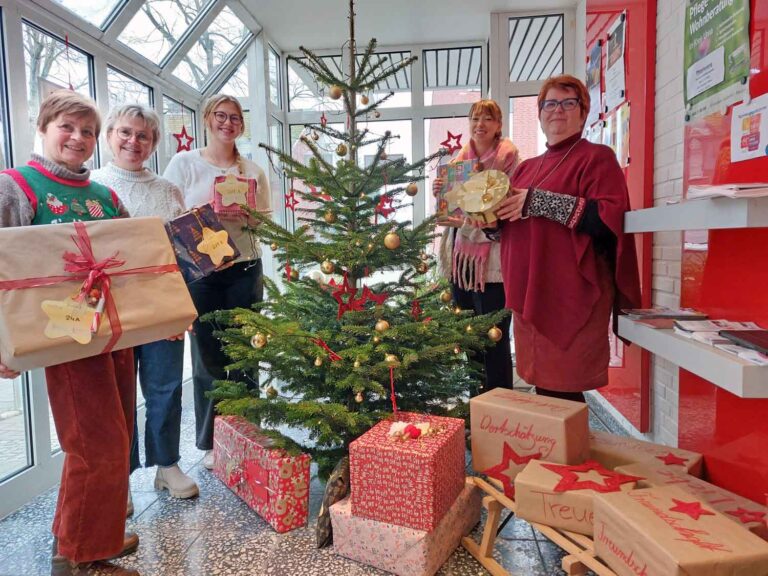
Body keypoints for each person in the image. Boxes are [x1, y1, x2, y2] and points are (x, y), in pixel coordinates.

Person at [0, 91, 139, 575]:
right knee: (96, 445)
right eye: (67, 126)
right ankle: (82, 557)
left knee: (112, 440)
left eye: (88, 132)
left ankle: (81, 537)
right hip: (64, 341)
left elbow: (133, 267)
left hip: (113, 336)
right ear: (44, 126)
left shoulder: (106, 196)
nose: (78, 138)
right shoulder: (16, 187)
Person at [491, 74, 641, 403]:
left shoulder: (597, 157)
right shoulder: (525, 168)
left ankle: (570, 453)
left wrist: (539, 201)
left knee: (564, 388)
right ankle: (556, 450)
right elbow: (508, 224)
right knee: (545, 389)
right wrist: (487, 218)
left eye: (568, 103)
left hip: (571, 293)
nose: (557, 110)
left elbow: (607, 219)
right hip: (532, 290)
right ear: (541, 113)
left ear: (583, 112)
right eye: (550, 103)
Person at [91, 105, 198, 502]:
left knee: (166, 387)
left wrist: (182, 307)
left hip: (160, 308)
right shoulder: (93, 186)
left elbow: (186, 254)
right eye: (125, 132)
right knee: (116, 395)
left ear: (153, 143)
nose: (133, 142)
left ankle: (167, 464)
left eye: (143, 136)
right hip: (109, 311)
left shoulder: (167, 190)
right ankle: (120, 477)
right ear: (109, 136)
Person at [163, 94, 271, 469]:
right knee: (208, 356)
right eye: (221, 117)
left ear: (242, 124)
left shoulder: (253, 171)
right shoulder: (185, 163)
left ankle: (247, 432)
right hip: (203, 273)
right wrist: (201, 215)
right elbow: (170, 216)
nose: (228, 123)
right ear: (208, 120)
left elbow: (265, 224)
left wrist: (246, 213)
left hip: (244, 268)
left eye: (235, 118)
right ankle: (212, 441)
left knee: (246, 351)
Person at [433, 99, 519, 393]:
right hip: (462, 263)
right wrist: (441, 194)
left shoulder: (509, 159)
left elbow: (509, 211)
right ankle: (477, 406)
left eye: (487, 119)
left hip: (494, 264)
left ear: (498, 126)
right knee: (469, 336)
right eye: (475, 118)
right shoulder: (459, 163)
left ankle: (500, 409)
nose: (480, 124)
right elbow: (451, 216)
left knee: (494, 339)